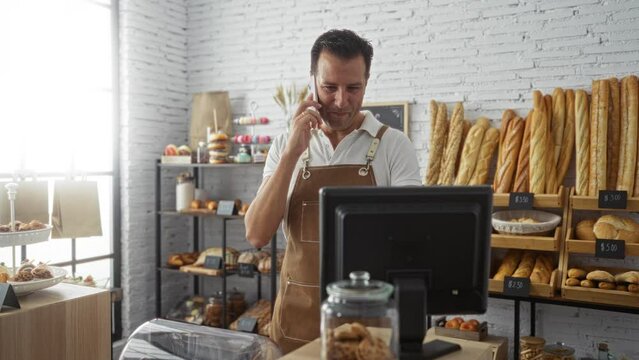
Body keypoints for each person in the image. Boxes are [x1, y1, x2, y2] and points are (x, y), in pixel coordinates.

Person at [244, 29, 421, 353]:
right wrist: (291, 154)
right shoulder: (285, 146)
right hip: (295, 325)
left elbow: (410, 240)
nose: (341, 101)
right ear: (312, 82)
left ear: (367, 82)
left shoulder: (394, 145)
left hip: (368, 330)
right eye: (329, 88)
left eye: (353, 88)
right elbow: (256, 234)